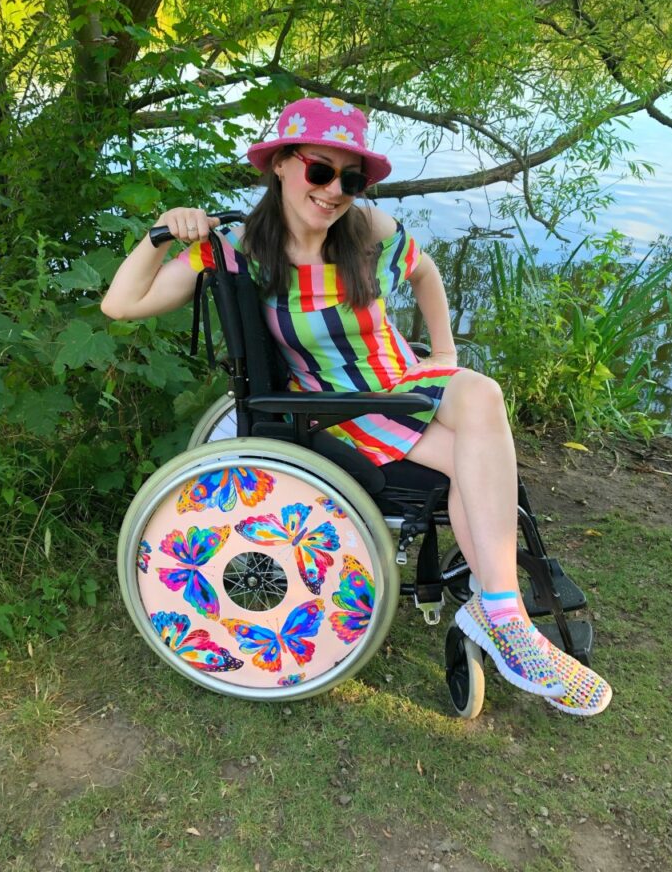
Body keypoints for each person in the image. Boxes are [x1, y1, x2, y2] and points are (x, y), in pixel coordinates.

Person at [102, 96, 611, 717]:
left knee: (477, 399)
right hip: (346, 408)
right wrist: (160, 233)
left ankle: (501, 617)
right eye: (321, 171)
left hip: (405, 384)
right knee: (473, 452)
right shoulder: (234, 248)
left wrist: (443, 351)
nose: (334, 191)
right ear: (283, 165)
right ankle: (506, 624)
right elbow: (120, 306)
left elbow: (425, 275)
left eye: (350, 178)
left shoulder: (367, 231)